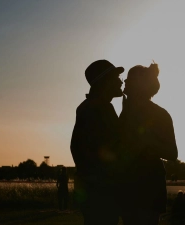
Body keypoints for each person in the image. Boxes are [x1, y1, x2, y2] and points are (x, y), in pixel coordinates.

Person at [119, 62, 178, 225]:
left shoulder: (160, 114)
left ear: (140, 86)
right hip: (128, 185)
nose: (125, 82)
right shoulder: (126, 111)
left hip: (148, 186)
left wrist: (146, 143)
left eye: (129, 79)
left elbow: (172, 153)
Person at [70, 60, 124, 225]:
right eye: (116, 78)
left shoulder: (90, 106)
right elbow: (112, 148)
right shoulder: (99, 108)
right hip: (100, 189)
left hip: (94, 187)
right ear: (105, 82)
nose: (121, 81)